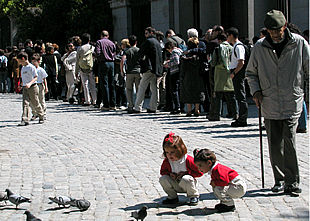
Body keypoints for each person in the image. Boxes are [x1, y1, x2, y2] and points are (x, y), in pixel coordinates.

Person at [246, 10, 309, 194]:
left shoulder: (299, 43)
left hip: (291, 100)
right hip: (269, 101)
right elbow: (251, 73)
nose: (274, 34)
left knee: (289, 140)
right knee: (274, 143)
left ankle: (292, 181)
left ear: (285, 26)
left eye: (277, 30)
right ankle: (279, 179)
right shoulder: (259, 47)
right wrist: (256, 91)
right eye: (270, 30)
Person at [159, 132, 203, 205]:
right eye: (167, 152)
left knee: (186, 178)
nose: (169, 155)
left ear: (179, 150)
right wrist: (170, 174)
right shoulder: (167, 161)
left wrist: (186, 173)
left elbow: (199, 172)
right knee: (163, 179)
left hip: (187, 184)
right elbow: (163, 172)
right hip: (174, 183)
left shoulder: (187, 159)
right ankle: (172, 197)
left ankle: (193, 196)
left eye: (172, 152)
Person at [132, 27, 163, 113]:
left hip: (149, 68)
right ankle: (153, 107)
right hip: (155, 68)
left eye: (146, 33)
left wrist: (141, 61)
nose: (145, 35)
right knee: (154, 87)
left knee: (142, 87)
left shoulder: (148, 42)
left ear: (151, 33)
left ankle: (137, 107)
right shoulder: (157, 42)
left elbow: (140, 53)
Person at [209, 33, 237, 121]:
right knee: (231, 95)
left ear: (219, 40)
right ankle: (235, 113)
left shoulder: (217, 48)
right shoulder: (232, 48)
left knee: (218, 95)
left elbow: (213, 62)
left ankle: (216, 115)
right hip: (229, 72)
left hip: (219, 73)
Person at [227, 27, 248, 127]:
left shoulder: (238, 47)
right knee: (238, 95)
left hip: (238, 73)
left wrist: (234, 73)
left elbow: (241, 62)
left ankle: (242, 118)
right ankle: (241, 117)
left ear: (231, 35)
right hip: (236, 72)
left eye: (227, 35)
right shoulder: (235, 46)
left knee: (241, 96)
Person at [17, 52, 44, 126]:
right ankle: (24, 119)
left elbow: (35, 77)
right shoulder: (23, 68)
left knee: (35, 103)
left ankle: (41, 116)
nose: (18, 62)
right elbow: (24, 78)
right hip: (25, 88)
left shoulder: (31, 67)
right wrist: (21, 84)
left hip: (33, 87)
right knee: (25, 103)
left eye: (19, 60)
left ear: (23, 59)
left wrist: (30, 83)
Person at [180, 37, 205, 117]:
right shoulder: (199, 54)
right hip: (198, 75)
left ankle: (189, 110)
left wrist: (182, 76)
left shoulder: (185, 55)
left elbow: (182, 68)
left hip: (188, 75)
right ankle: (197, 109)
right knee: (198, 91)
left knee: (188, 92)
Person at [95, 30, 116, 110]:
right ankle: (113, 104)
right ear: (108, 35)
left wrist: (99, 59)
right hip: (112, 63)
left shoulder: (99, 42)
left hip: (103, 63)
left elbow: (98, 53)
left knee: (104, 84)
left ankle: (106, 104)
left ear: (101, 35)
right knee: (112, 83)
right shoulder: (112, 43)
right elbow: (114, 52)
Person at [121, 35, 141, 113]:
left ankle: (130, 105)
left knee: (129, 89)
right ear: (136, 42)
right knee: (139, 89)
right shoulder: (139, 50)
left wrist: (122, 71)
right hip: (138, 71)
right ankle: (138, 106)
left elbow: (122, 60)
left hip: (129, 72)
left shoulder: (127, 51)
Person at [76, 33, 97, 106]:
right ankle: (95, 100)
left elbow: (77, 60)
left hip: (82, 68)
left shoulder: (80, 48)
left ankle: (87, 100)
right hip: (91, 67)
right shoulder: (93, 47)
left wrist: (76, 71)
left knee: (85, 85)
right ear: (89, 40)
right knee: (92, 85)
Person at [164, 41, 183, 114]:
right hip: (179, 72)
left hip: (175, 72)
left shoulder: (174, 51)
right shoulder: (179, 50)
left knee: (174, 90)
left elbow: (176, 61)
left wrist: (168, 64)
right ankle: (180, 106)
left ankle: (177, 107)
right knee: (178, 89)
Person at [30, 54, 48, 120]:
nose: (33, 63)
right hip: (33, 85)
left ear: (38, 61)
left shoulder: (41, 70)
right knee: (32, 101)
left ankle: (43, 113)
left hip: (40, 85)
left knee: (41, 100)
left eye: (34, 62)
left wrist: (46, 87)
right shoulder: (31, 69)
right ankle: (35, 113)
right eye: (32, 62)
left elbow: (44, 79)